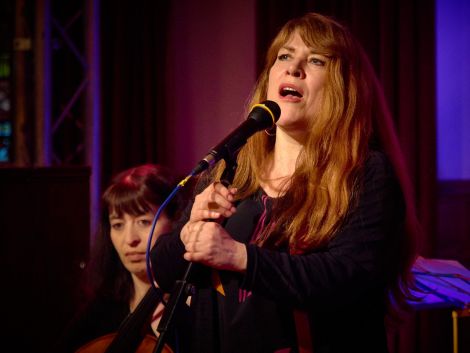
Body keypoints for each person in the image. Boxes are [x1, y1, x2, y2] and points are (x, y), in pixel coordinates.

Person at [152, 12, 420, 353]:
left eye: (316, 60)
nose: (294, 68)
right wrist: (188, 232)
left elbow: (347, 277)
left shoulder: (366, 173)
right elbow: (161, 270)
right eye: (284, 56)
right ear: (269, 78)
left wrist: (238, 257)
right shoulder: (232, 171)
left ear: (343, 87)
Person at [55, 164, 189, 353]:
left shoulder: (198, 309)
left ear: (175, 223)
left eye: (143, 222)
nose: (130, 239)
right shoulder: (98, 313)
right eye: (118, 225)